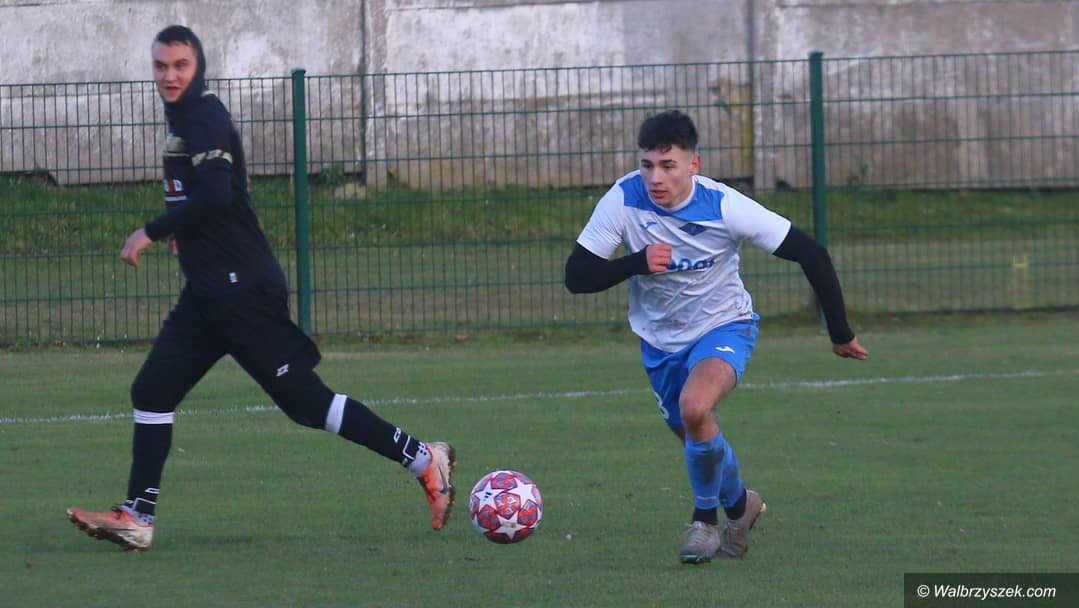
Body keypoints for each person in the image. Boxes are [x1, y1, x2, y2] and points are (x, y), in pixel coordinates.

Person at [66, 25, 456, 552]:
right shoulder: (187, 118)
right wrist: (188, 234)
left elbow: (217, 195)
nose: (169, 75)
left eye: (180, 65)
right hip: (209, 292)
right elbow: (215, 196)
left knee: (307, 404)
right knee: (153, 391)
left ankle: (423, 459)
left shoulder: (203, 117)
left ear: (198, 67)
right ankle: (137, 517)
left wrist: (152, 231)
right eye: (161, 66)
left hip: (241, 291)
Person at [564, 110, 868, 564]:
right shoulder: (624, 198)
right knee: (696, 437)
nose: (655, 177)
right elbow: (577, 276)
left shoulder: (725, 206)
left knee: (695, 407)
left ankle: (704, 523)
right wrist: (636, 262)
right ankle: (742, 506)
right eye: (647, 165)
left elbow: (812, 254)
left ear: (694, 164)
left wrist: (839, 332)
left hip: (724, 326)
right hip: (660, 342)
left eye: (668, 165)